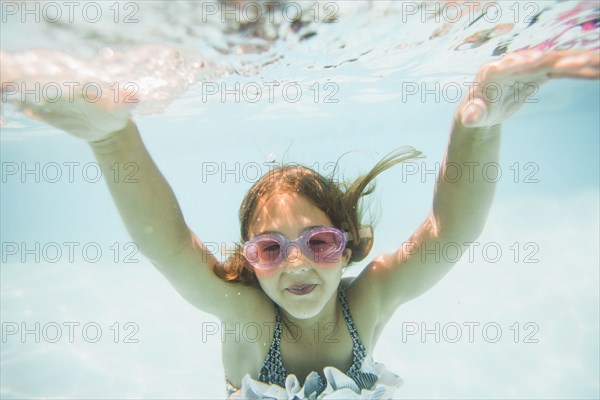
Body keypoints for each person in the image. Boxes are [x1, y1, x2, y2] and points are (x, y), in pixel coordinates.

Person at [2, 49, 598, 398]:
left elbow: (449, 232)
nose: (296, 263)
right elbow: (171, 248)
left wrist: (479, 124)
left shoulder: (368, 301)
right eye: (269, 249)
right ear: (248, 262)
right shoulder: (251, 320)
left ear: (348, 246)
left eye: (317, 242)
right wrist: (114, 139)